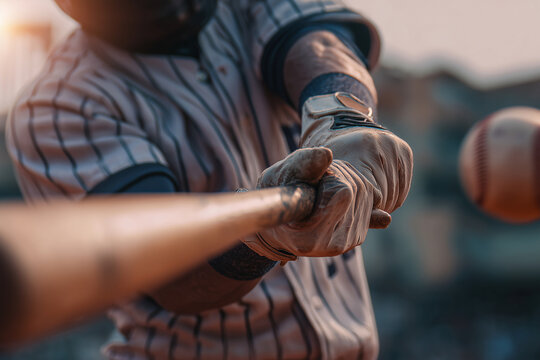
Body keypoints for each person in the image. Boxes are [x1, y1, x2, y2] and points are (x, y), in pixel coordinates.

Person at [5, 0, 413, 358]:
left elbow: (320, 44)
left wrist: (339, 118)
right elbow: (170, 275)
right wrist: (261, 240)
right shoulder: (57, 107)